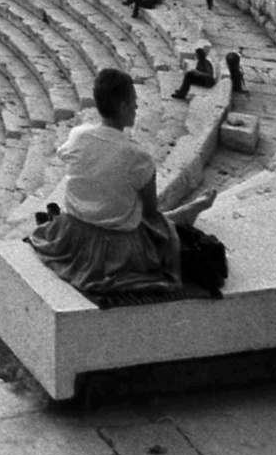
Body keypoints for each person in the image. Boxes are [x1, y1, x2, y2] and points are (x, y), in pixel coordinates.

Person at [27, 68, 216, 296]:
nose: (136, 107)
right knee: (158, 232)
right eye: (133, 101)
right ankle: (185, 213)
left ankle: (184, 213)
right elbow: (150, 213)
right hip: (113, 250)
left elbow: (64, 155)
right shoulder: (138, 156)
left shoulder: (78, 135)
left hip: (70, 234)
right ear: (123, 107)